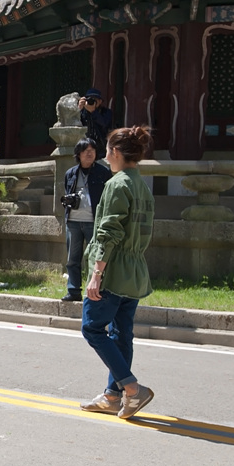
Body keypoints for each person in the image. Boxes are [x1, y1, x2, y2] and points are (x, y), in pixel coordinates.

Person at [79, 125, 157, 420]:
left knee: (92, 328)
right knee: (122, 334)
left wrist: (96, 274)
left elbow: (108, 232)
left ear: (115, 152)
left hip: (113, 270)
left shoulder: (117, 184)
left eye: (107, 150)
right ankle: (113, 395)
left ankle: (132, 389)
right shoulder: (142, 186)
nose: (104, 156)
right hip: (134, 269)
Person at [60, 139, 113, 302]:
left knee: (95, 258)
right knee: (72, 259)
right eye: (85, 150)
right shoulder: (70, 173)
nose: (89, 153)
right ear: (78, 154)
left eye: (92, 150)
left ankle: (96, 290)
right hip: (73, 221)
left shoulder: (103, 172)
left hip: (93, 222)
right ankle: (73, 290)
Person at [78, 88, 115, 160]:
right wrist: (79, 109)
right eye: (89, 99)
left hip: (101, 145)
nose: (91, 101)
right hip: (84, 144)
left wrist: (93, 112)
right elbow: (76, 123)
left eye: (95, 99)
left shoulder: (106, 112)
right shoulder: (82, 112)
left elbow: (104, 123)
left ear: (100, 101)